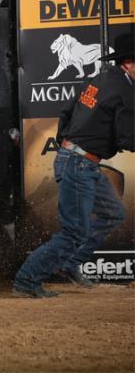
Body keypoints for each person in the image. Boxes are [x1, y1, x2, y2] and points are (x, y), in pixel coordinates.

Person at [13, 33, 133, 298]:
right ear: (129, 63)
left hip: (76, 160)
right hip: (81, 164)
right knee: (74, 231)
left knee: (113, 213)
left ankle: (70, 262)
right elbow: (127, 137)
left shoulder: (99, 79)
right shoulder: (125, 90)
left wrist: (67, 143)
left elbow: (67, 110)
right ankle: (26, 280)